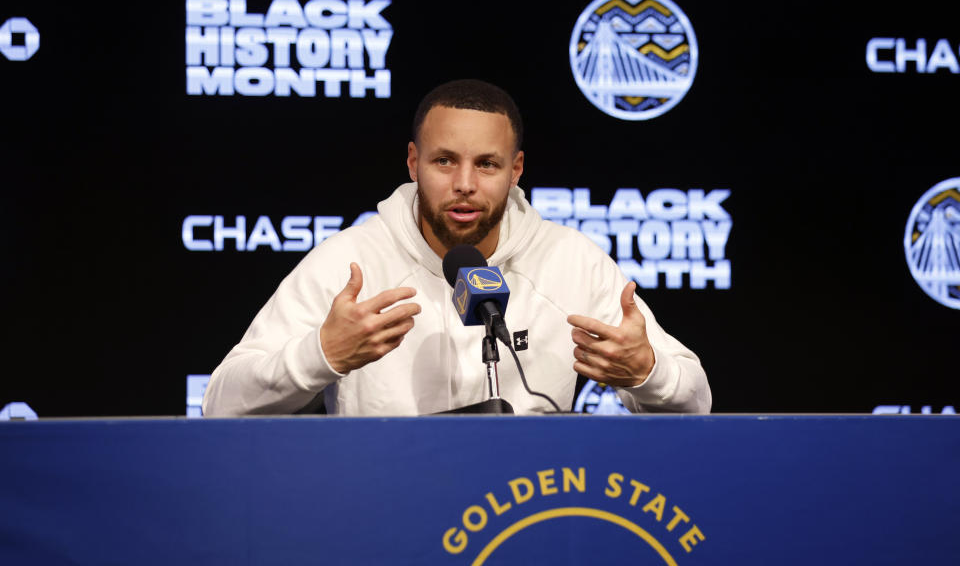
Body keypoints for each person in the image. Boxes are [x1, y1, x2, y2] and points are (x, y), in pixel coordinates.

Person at [202, 79, 711, 416]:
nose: (465, 184)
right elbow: (221, 404)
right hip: (383, 517)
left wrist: (647, 372)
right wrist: (320, 355)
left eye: (487, 165)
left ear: (515, 171)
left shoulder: (570, 261)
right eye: (444, 161)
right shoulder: (351, 261)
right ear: (412, 162)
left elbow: (696, 400)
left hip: (525, 517)